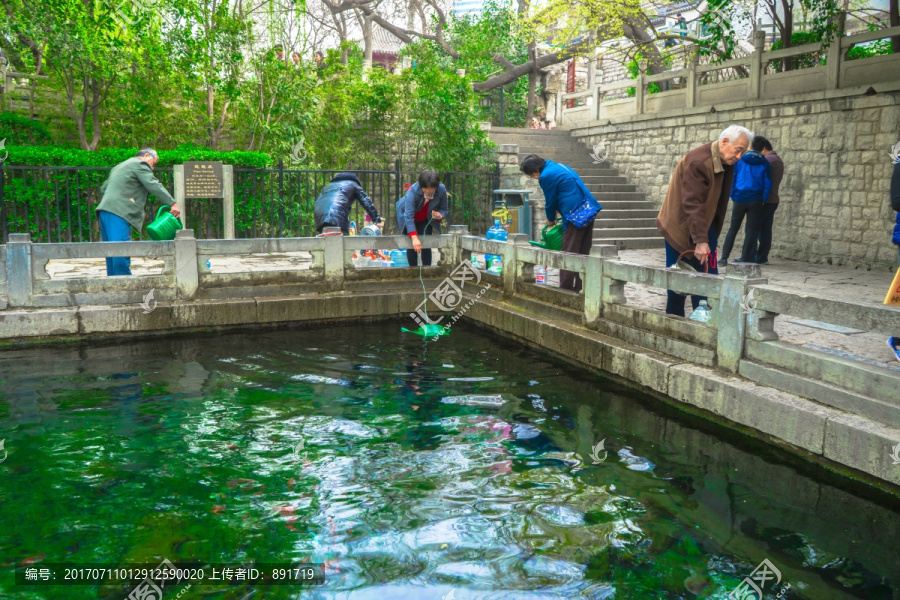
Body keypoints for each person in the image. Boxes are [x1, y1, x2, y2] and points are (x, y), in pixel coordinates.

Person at [656, 125, 751, 316]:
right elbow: (692, 203)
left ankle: (704, 325)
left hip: (704, 228)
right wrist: (700, 240)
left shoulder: (726, 161)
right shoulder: (699, 161)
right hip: (680, 227)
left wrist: (708, 238)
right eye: (738, 150)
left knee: (708, 281)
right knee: (679, 285)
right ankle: (674, 328)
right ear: (724, 142)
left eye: (743, 152)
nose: (739, 157)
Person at [520, 154, 602, 292]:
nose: (533, 178)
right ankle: (583, 288)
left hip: (575, 215)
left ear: (534, 170)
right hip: (588, 210)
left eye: (531, 174)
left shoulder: (545, 175)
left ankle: (566, 290)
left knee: (568, 254)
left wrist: (550, 219)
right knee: (583, 252)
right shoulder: (558, 166)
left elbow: (550, 201)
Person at [95, 149, 180, 276]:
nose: (153, 167)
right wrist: (172, 203)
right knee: (120, 251)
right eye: (154, 162)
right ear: (146, 155)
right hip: (119, 212)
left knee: (111, 253)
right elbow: (153, 185)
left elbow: (104, 188)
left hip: (104, 211)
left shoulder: (120, 166)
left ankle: (113, 285)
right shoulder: (140, 164)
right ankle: (124, 285)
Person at [720, 135, 772, 265]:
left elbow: (733, 178)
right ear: (762, 149)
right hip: (755, 199)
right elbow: (767, 184)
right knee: (751, 231)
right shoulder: (765, 163)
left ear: (751, 146)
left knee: (733, 228)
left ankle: (724, 257)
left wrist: (733, 195)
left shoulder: (740, 161)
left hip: (740, 198)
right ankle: (745, 258)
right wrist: (763, 199)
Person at [396, 169, 449, 267]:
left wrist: (440, 214)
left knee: (425, 243)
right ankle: (413, 271)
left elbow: (444, 209)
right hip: (410, 218)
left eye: (431, 188)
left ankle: (427, 270)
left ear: (436, 186)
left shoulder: (441, 190)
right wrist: (414, 237)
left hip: (426, 219)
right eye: (426, 188)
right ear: (421, 186)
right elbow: (408, 216)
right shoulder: (412, 192)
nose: (429, 191)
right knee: (412, 245)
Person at [313, 172, 381, 235]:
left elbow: (318, 202)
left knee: (327, 243)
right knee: (342, 243)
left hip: (320, 219)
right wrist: (376, 220)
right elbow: (366, 201)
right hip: (336, 217)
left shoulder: (327, 187)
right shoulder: (353, 184)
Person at [754, 137, 783, 264]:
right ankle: (762, 257)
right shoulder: (778, 160)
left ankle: (750, 256)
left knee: (753, 227)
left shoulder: (766, 160)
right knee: (765, 229)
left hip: (765, 200)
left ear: (763, 148)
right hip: (773, 199)